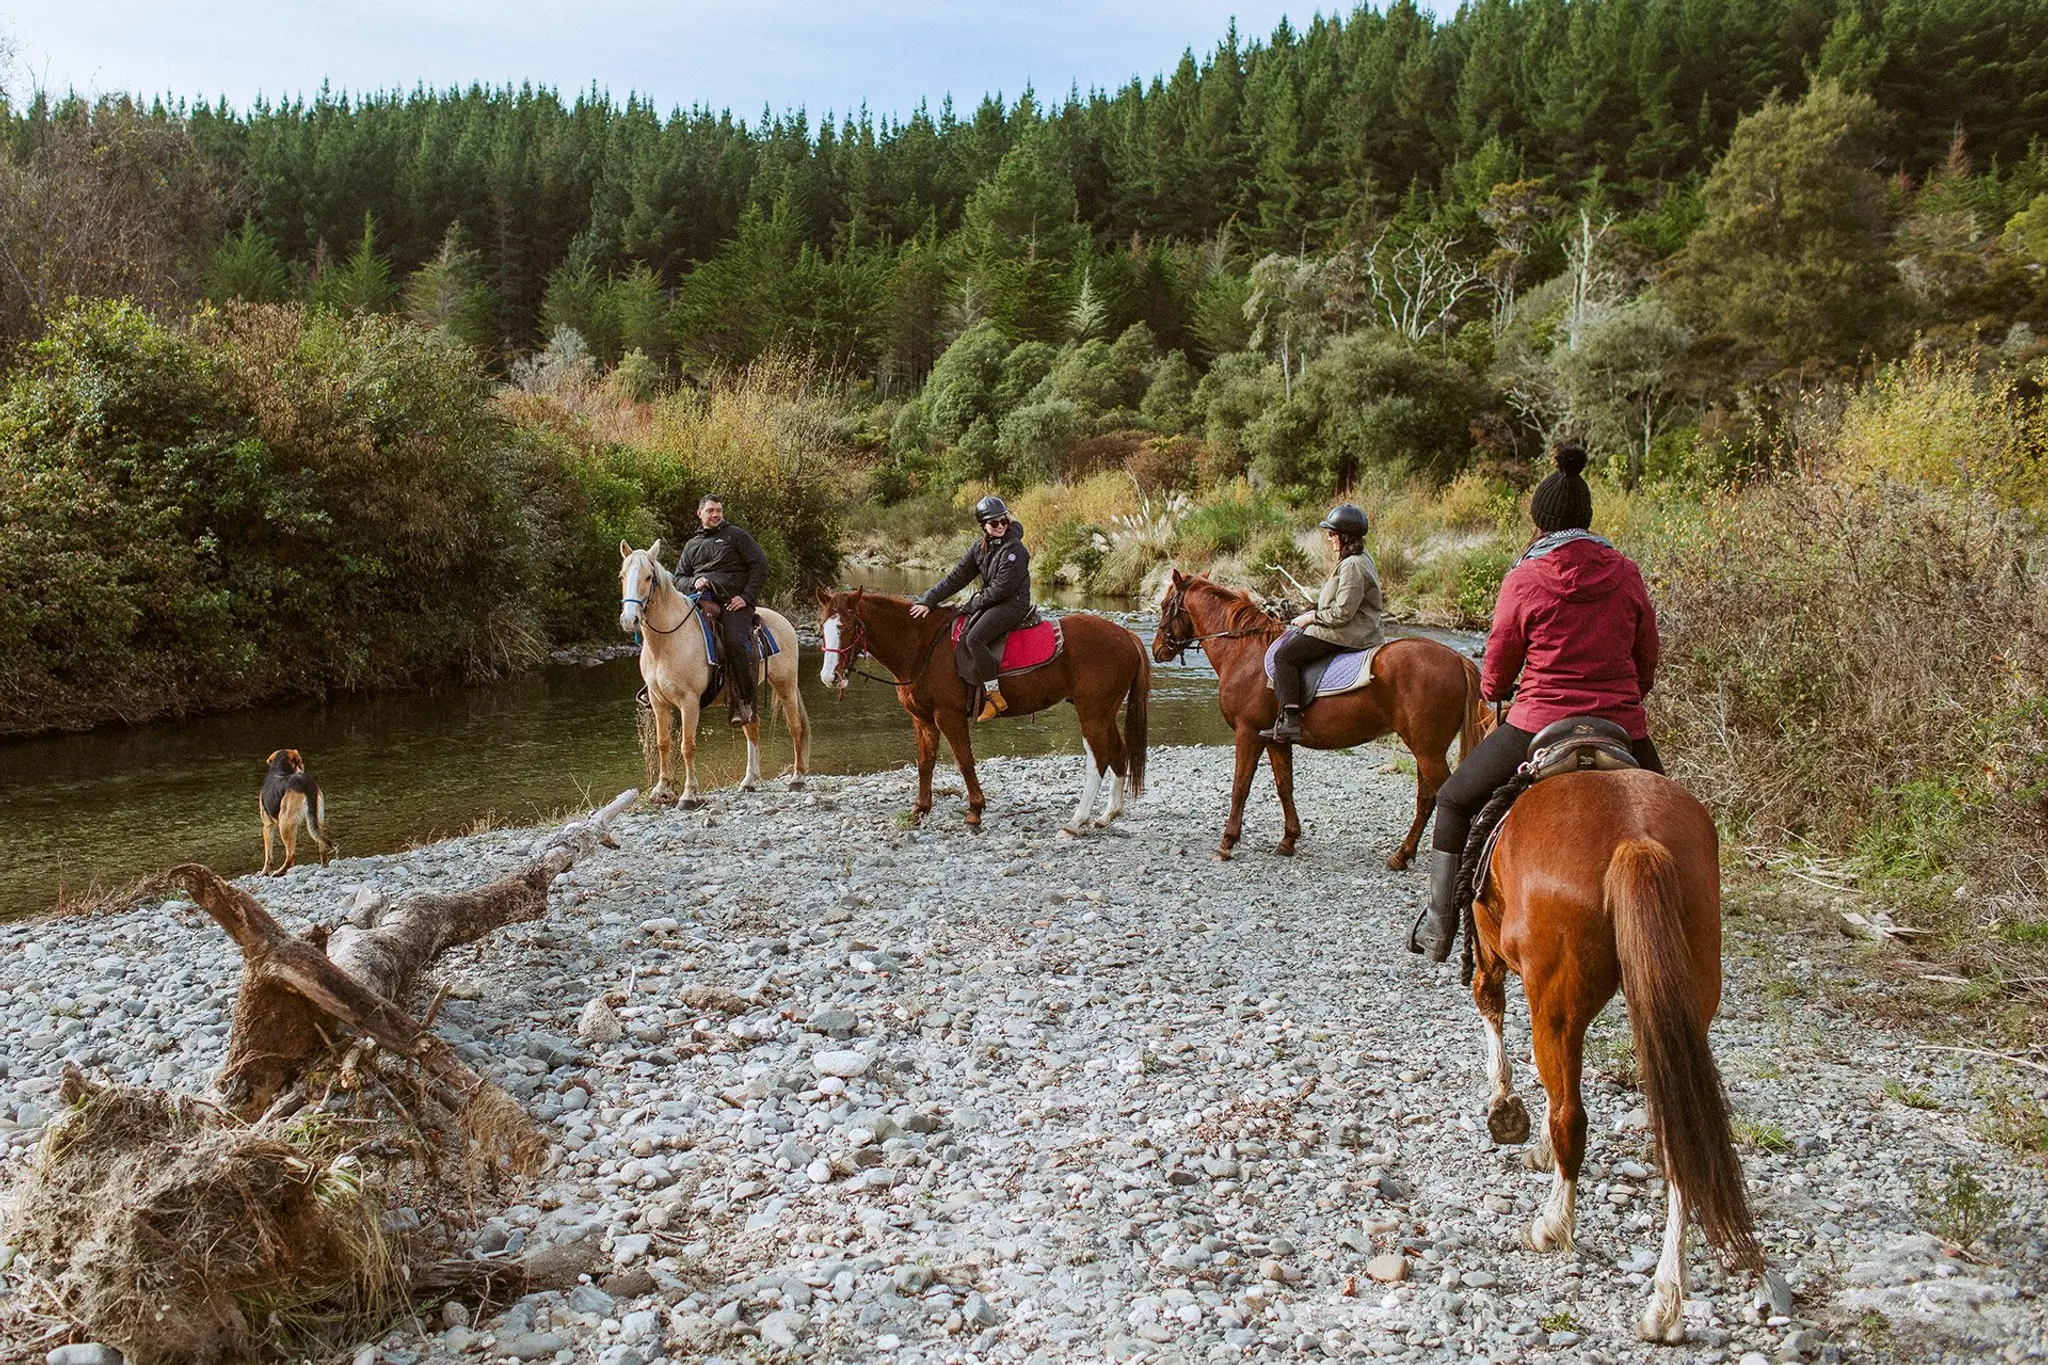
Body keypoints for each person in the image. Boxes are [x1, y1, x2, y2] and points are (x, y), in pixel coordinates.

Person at [1408, 445, 1665, 962]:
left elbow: (1499, 666)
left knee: (1455, 800)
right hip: (1619, 726)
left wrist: (1494, 690)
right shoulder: (1626, 571)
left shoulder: (1525, 576)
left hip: (1538, 724)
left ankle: (1439, 924)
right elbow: (1647, 655)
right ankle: (1679, 918)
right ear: (1588, 518)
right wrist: (1623, 700)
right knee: (1675, 816)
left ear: (1540, 521)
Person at [1260, 503, 1386, 744]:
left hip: (1349, 633)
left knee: (1285, 656)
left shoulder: (1353, 566)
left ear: (1345, 536)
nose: (1329, 538)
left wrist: (1311, 618)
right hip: (1349, 626)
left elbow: (1342, 614)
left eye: (1332, 534)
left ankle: (1291, 721)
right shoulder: (1357, 559)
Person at [910, 495, 1032, 721]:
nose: (1000, 526)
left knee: (974, 639)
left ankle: (995, 697)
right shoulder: (980, 547)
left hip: (1013, 603)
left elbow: (1001, 590)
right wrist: (929, 599)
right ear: (983, 526)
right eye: (994, 523)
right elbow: (957, 577)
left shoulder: (1015, 550)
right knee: (961, 631)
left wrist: (968, 605)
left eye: (1003, 521)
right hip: (994, 601)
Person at [675, 493, 770, 726]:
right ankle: (658, 688)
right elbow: (678, 578)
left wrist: (746, 597)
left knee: (734, 642)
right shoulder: (692, 545)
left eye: (718, 510)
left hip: (732, 603)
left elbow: (760, 565)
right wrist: (693, 583)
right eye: (710, 511)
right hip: (700, 601)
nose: (716, 514)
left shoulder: (736, 536)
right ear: (700, 514)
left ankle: (743, 700)